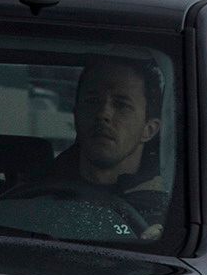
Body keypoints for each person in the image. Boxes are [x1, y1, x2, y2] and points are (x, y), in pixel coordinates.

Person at [38, 56, 165, 195]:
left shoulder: (169, 205)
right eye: (92, 101)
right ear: (75, 115)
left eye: (121, 105)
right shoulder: (37, 194)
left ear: (149, 129)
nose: (103, 114)